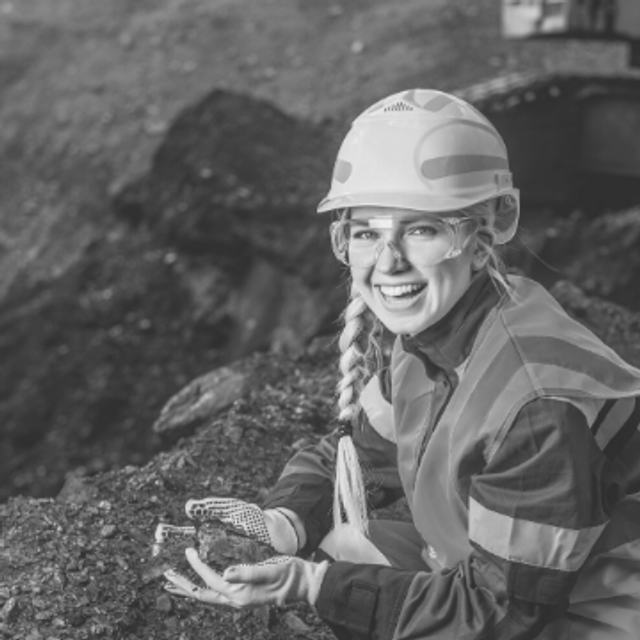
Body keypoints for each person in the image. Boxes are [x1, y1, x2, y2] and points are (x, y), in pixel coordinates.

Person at [162, 89, 640, 639]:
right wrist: (284, 522)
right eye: (367, 232)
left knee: (345, 584)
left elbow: (503, 614)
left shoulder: (534, 407)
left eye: (421, 229)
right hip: (527, 585)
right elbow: (362, 454)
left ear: (487, 233)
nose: (388, 262)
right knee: (341, 549)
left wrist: (314, 586)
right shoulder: (436, 339)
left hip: (598, 616)